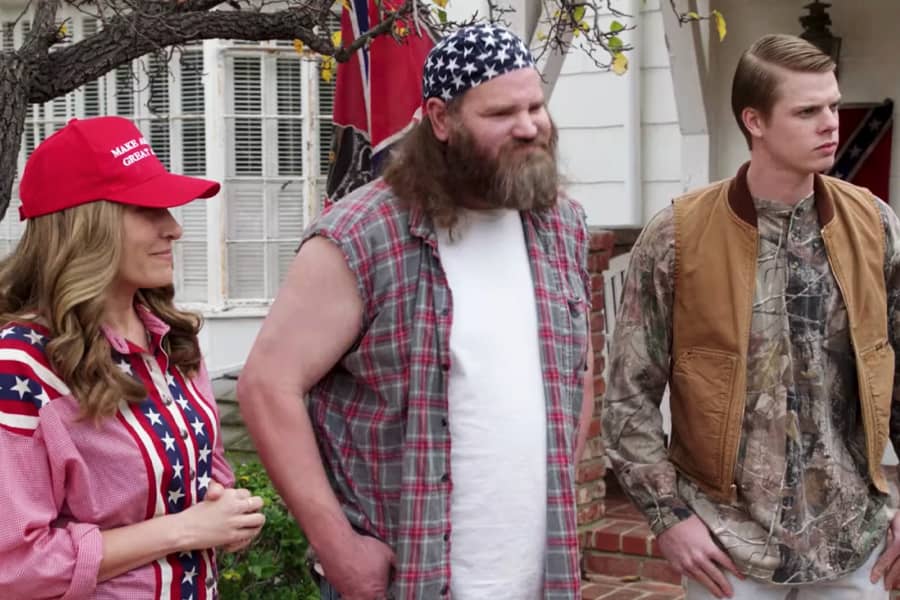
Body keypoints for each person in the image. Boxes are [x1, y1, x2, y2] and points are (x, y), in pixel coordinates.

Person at [238, 23, 593, 600]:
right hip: (408, 577)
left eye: (536, 106)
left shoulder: (561, 225)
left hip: (540, 576)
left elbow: (576, 372)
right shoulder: (361, 236)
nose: (530, 126)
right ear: (440, 118)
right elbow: (265, 387)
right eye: (502, 113)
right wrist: (339, 549)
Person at [602, 33, 900, 600]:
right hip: (727, 548)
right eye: (807, 110)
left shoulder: (874, 225)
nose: (830, 123)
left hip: (853, 542)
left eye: (833, 105)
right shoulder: (678, 237)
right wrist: (669, 517)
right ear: (754, 121)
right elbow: (627, 396)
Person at [0, 116, 266, 599]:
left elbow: (210, 483)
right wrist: (185, 530)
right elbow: (14, 567)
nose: (175, 228)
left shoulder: (173, 342)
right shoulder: (23, 366)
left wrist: (228, 510)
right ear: (86, 223)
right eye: (148, 210)